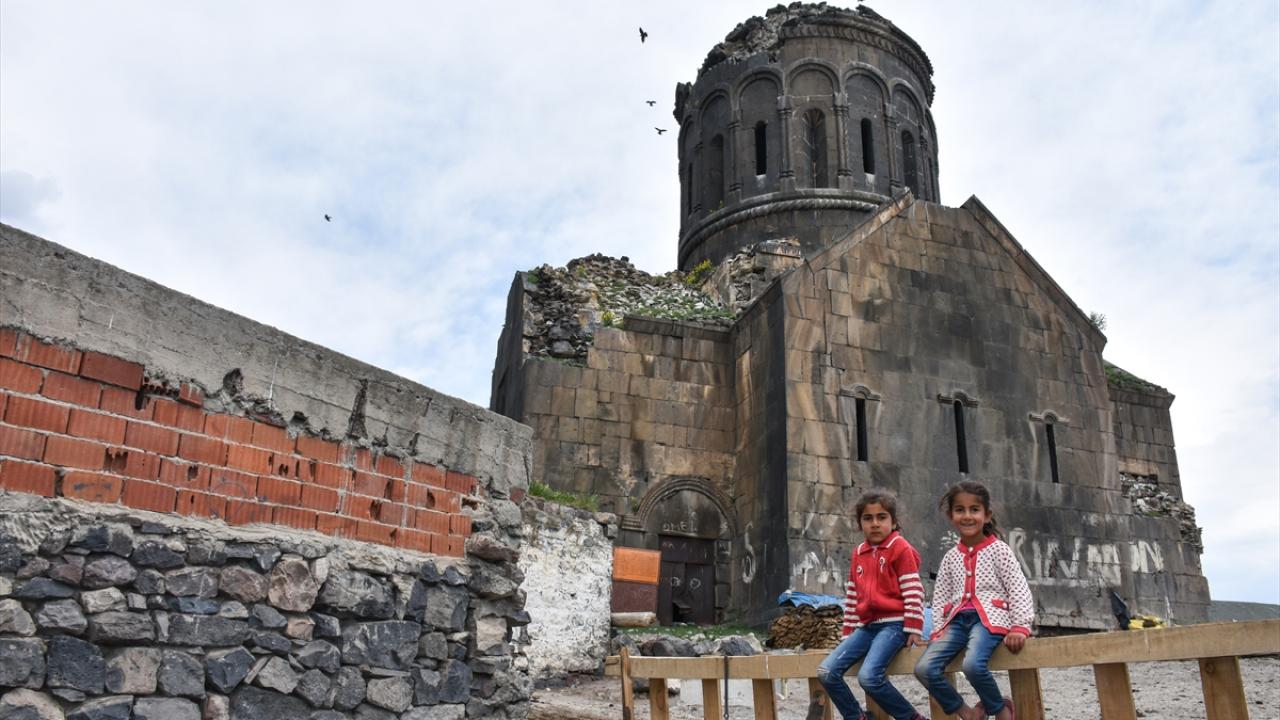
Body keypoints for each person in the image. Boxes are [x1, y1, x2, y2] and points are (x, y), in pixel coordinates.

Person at [914, 481, 1034, 720]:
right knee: (924, 668)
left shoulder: (999, 550)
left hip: (989, 621)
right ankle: (967, 713)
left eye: (974, 510)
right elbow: (940, 599)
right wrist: (937, 631)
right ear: (951, 516)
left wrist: (1020, 626)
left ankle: (1001, 710)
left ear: (987, 515)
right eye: (960, 510)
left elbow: (1018, 588)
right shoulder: (950, 557)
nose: (967, 516)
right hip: (956, 623)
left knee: (972, 665)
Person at [815, 490, 928, 720]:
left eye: (882, 517)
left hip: (894, 625)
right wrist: (848, 634)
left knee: (869, 677)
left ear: (894, 521)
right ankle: (857, 717)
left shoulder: (900, 548)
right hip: (866, 627)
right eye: (868, 518)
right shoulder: (859, 553)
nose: (875, 523)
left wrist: (914, 628)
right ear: (860, 523)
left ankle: (912, 717)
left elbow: (914, 590)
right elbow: (853, 596)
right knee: (826, 671)